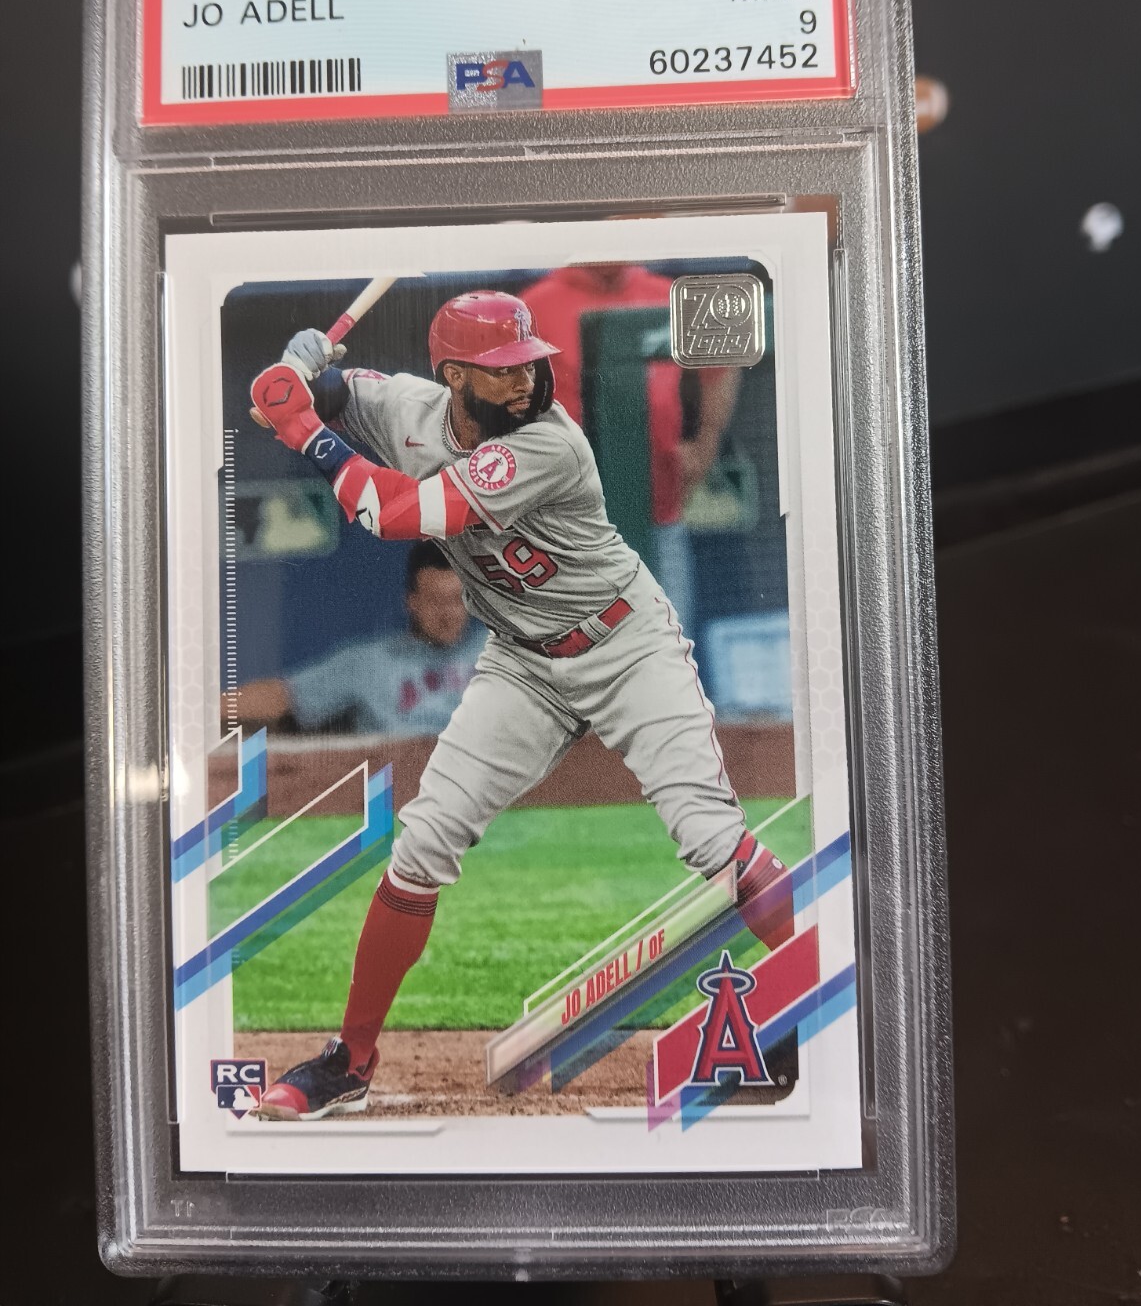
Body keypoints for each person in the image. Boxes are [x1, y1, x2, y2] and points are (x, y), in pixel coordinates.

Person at [246, 289, 792, 1120]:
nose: (526, 380)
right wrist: (296, 372)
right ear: (454, 376)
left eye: (529, 364)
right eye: (501, 371)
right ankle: (348, 1061)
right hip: (522, 662)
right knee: (423, 843)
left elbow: (397, 512)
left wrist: (301, 430)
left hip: (625, 645)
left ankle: (812, 993)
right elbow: (335, 392)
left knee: (709, 836)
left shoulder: (548, 443)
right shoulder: (409, 410)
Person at [520, 263, 740, 637]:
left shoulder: (667, 295)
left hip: (658, 516)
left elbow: (722, 362)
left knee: (669, 646)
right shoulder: (532, 306)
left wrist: (705, 442)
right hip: (569, 529)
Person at [227, 541, 484, 739]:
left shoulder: (493, 650)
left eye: (456, 600)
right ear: (412, 602)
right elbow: (283, 697)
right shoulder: (370, 662)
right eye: (436, 601)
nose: (447, 614)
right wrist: (206, 710)